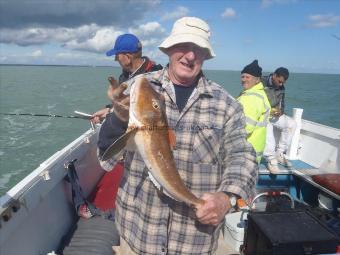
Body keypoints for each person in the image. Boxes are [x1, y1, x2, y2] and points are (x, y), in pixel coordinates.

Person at [98, 17, 258, 254]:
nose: (190, 56)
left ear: (205, 55)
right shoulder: (138, 86)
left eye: (199, 49)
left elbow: (242, 155)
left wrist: (227, 197)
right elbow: (106, 156)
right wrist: (119, 117)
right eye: (184, 46)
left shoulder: (226, 104)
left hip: (194, 239)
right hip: (139, 231)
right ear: (170, 49)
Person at [91, 33, 162, 124]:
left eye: (117, 56)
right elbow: (123, 101)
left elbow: (147, 112)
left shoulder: (156, 78)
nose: (116, 60)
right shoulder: (125, 75)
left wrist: (110, 114)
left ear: (128, 58)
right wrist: (109, 109)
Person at [262, 67, 296, 173]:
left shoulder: (282, 88)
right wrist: (266, 110)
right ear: (274, 75)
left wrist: (280, 111)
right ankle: (271, 159)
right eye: (279, 81)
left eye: (283, 82)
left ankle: (279, 154)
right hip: (262, 115)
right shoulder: (260, 82)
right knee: (268, 130)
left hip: (274, 115)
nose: (281, 84)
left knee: (291, 124)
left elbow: (282, 103)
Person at [237, 60, 271, 163]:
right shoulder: (259, 94)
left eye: (248, 77)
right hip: (254, 151)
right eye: (243, 76)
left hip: (244, 153)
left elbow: (245, 128)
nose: (244, 79)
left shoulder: (252, 97)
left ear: (257, 80)